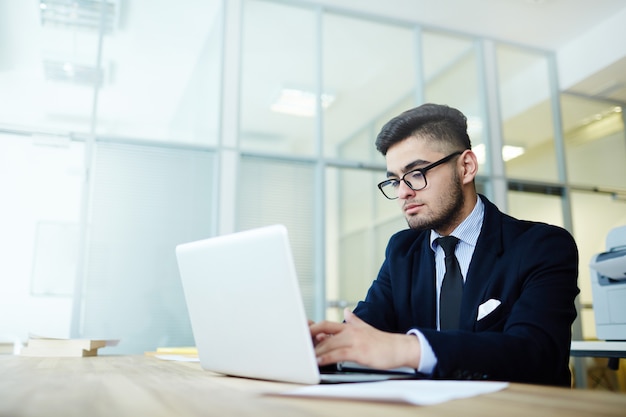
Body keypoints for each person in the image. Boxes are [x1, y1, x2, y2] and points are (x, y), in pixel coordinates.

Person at [310, 103, 580, 387]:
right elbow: (367, 327)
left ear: (466, 167)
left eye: (416, 173)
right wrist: (323, 343)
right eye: (394, 181)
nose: (403, 192)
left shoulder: (542, 246)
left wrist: (407, 349)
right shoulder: (402, 250)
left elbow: (536, 354)